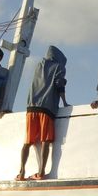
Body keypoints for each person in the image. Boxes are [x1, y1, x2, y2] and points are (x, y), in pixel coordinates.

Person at [17, 46, 68, 181]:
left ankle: (21, 172)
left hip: (31, 107)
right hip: (47, 108)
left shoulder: (39, 65)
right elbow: (59, 84)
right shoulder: (59, 67)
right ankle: (41, 172)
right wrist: (65, 102)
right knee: (45, 141)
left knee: (27, 142)